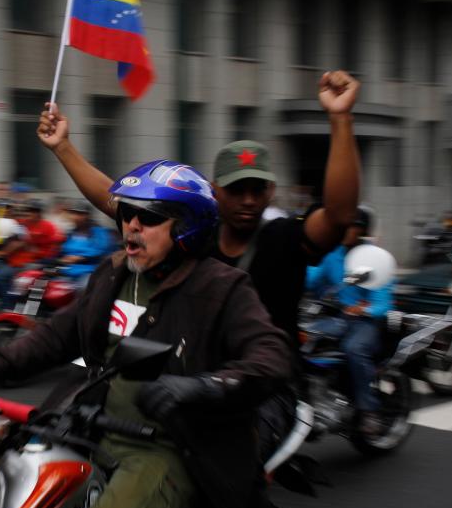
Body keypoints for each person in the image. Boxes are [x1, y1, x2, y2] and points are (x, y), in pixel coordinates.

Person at [0, 161, 291, 508]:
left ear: (188, 226)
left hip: (167, 448)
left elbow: (271, 356)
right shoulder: (112, 274)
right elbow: (53, 338)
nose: (131, 225)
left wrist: (200, 386)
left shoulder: (222, 288)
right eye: (127, 214)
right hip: (88, 428)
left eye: (148, 218)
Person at [37, 70, 361, 347]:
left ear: (271, 191)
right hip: (193, 386)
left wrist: (340, 117)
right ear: (215, 191)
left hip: (266, 389)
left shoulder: (285, 237)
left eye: (257, 189)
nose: (248, 200)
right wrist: (62, 147)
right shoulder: (195, 234)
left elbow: (339, 215)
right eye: (236, 189)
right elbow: (117, 202)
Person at [305, 207, 394, 432]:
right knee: (304, 340)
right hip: (337, 318)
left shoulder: (375, 259)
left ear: (362, 230)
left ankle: (368, 410)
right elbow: (313, 281)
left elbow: (383, 302)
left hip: (367, 323)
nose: (344, 230)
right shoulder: (333, 255)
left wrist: (365, 309)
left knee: (353, 349)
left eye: (351, 226)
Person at [58, 199, 115, 288]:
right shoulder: (70, 233)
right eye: (74, 213)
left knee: (83, 288)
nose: (76, 217)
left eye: (80, 214)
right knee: (45, 285)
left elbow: (102, 250)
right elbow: (61, 251)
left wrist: (80, 257)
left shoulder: (99, 232)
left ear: (88, 216)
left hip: (89, 271)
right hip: (67, 271)